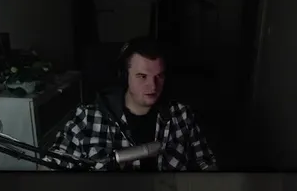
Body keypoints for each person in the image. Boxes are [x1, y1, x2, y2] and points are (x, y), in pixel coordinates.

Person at [46, 37, 216, 171]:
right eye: (142, 76)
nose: (153, 86)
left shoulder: (181, 115)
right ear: (124, 76)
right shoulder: (87, 118)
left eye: (159, 76)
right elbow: (50, 166)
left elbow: (207, 163)